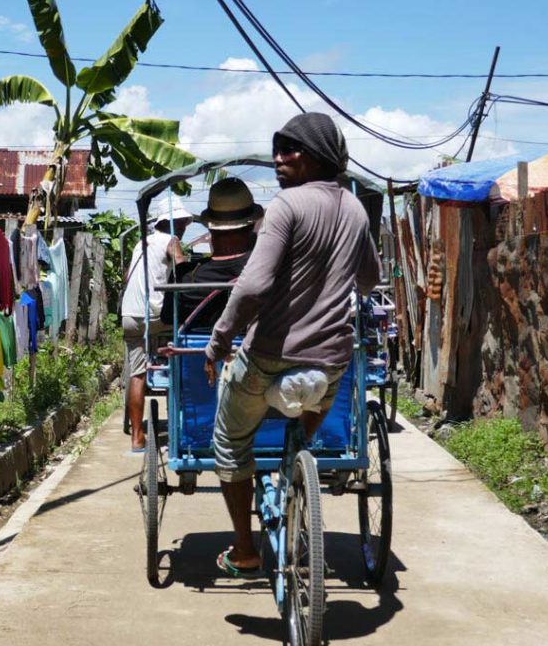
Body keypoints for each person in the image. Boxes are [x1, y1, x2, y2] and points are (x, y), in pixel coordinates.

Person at [204, 112, 381, 577]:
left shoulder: (286, 206)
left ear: (317, 156)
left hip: (268, 356)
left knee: (228, 439)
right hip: (331, 359)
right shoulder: (356, 209)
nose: (278, 158)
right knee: (310, 414)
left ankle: (244, 551)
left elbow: (252, 288)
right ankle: (298, 456)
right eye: (278, 148)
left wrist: (219, 342)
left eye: (290, 150)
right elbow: (369, 280)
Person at [121, 196, 190, 453]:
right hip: (155, 317)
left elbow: (128, 276)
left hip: (130, 315)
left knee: (136, 373)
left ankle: (137, 439)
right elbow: (183, 272)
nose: (183, 227)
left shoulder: (141, 243)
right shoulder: (172, 241)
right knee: (183, 349)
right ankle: (181, 428)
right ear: (170, 223)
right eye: (181, 222)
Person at [160, 177, 262, 330]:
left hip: (198, 352)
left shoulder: (184, 275)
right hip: (257, 350)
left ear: (210, 227)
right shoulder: (268, 269)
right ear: (252, 224)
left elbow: (168, 318)